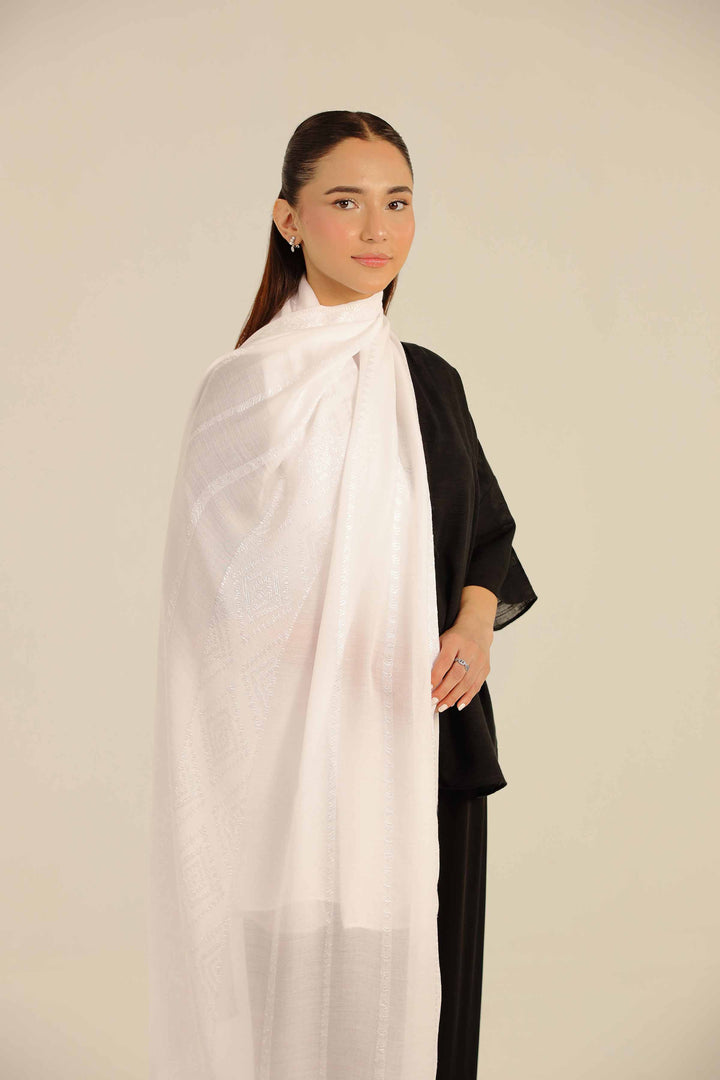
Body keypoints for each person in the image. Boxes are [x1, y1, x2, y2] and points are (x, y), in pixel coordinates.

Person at [149, 109, 537, 1080]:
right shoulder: (245, 389)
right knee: (297, 1017)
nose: (376, 230)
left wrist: (475, 628)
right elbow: (220, 596)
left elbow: (486, 537)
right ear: (289, 219)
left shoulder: (428, 382)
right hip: (290, 762)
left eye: (397, 204)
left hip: (422, 742)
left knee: (425, 1017)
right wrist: (329, 637)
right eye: (346, 202)